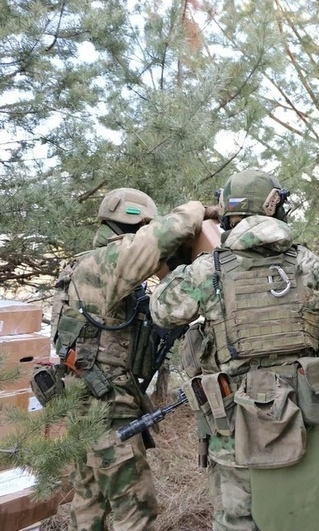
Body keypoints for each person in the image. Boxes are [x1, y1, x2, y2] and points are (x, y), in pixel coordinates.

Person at [149, 169, 319, 531]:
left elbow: (162, 312)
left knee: (238, 520)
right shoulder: (307, 263)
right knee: (301, 512)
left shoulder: (208, 271)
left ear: (228, 214)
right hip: (303, 412)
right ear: (275, 208)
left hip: (233, 421)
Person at [48, 188, 217, 531]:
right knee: (135, 512)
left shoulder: (84, 263)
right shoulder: (109, 261)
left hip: (85, 406)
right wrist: (199, 209)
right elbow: (156, 239)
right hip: (106, 412)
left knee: (89, 501)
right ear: (136, 225)